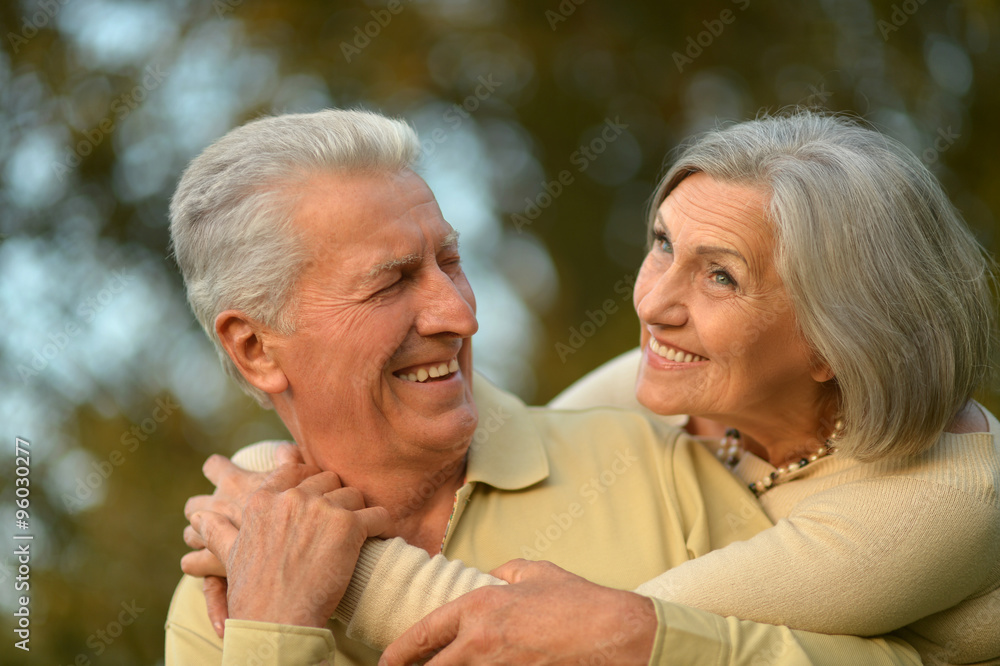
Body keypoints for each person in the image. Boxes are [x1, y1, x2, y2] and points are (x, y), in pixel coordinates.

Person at [184, 111, 999, 666]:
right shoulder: (688, 413)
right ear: (255, 350)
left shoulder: (679, 474)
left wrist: (299, 585)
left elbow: (557, 641)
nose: (649, 302)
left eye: (720, 276)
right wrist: (268, 500)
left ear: (832, 341)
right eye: (392, 278)